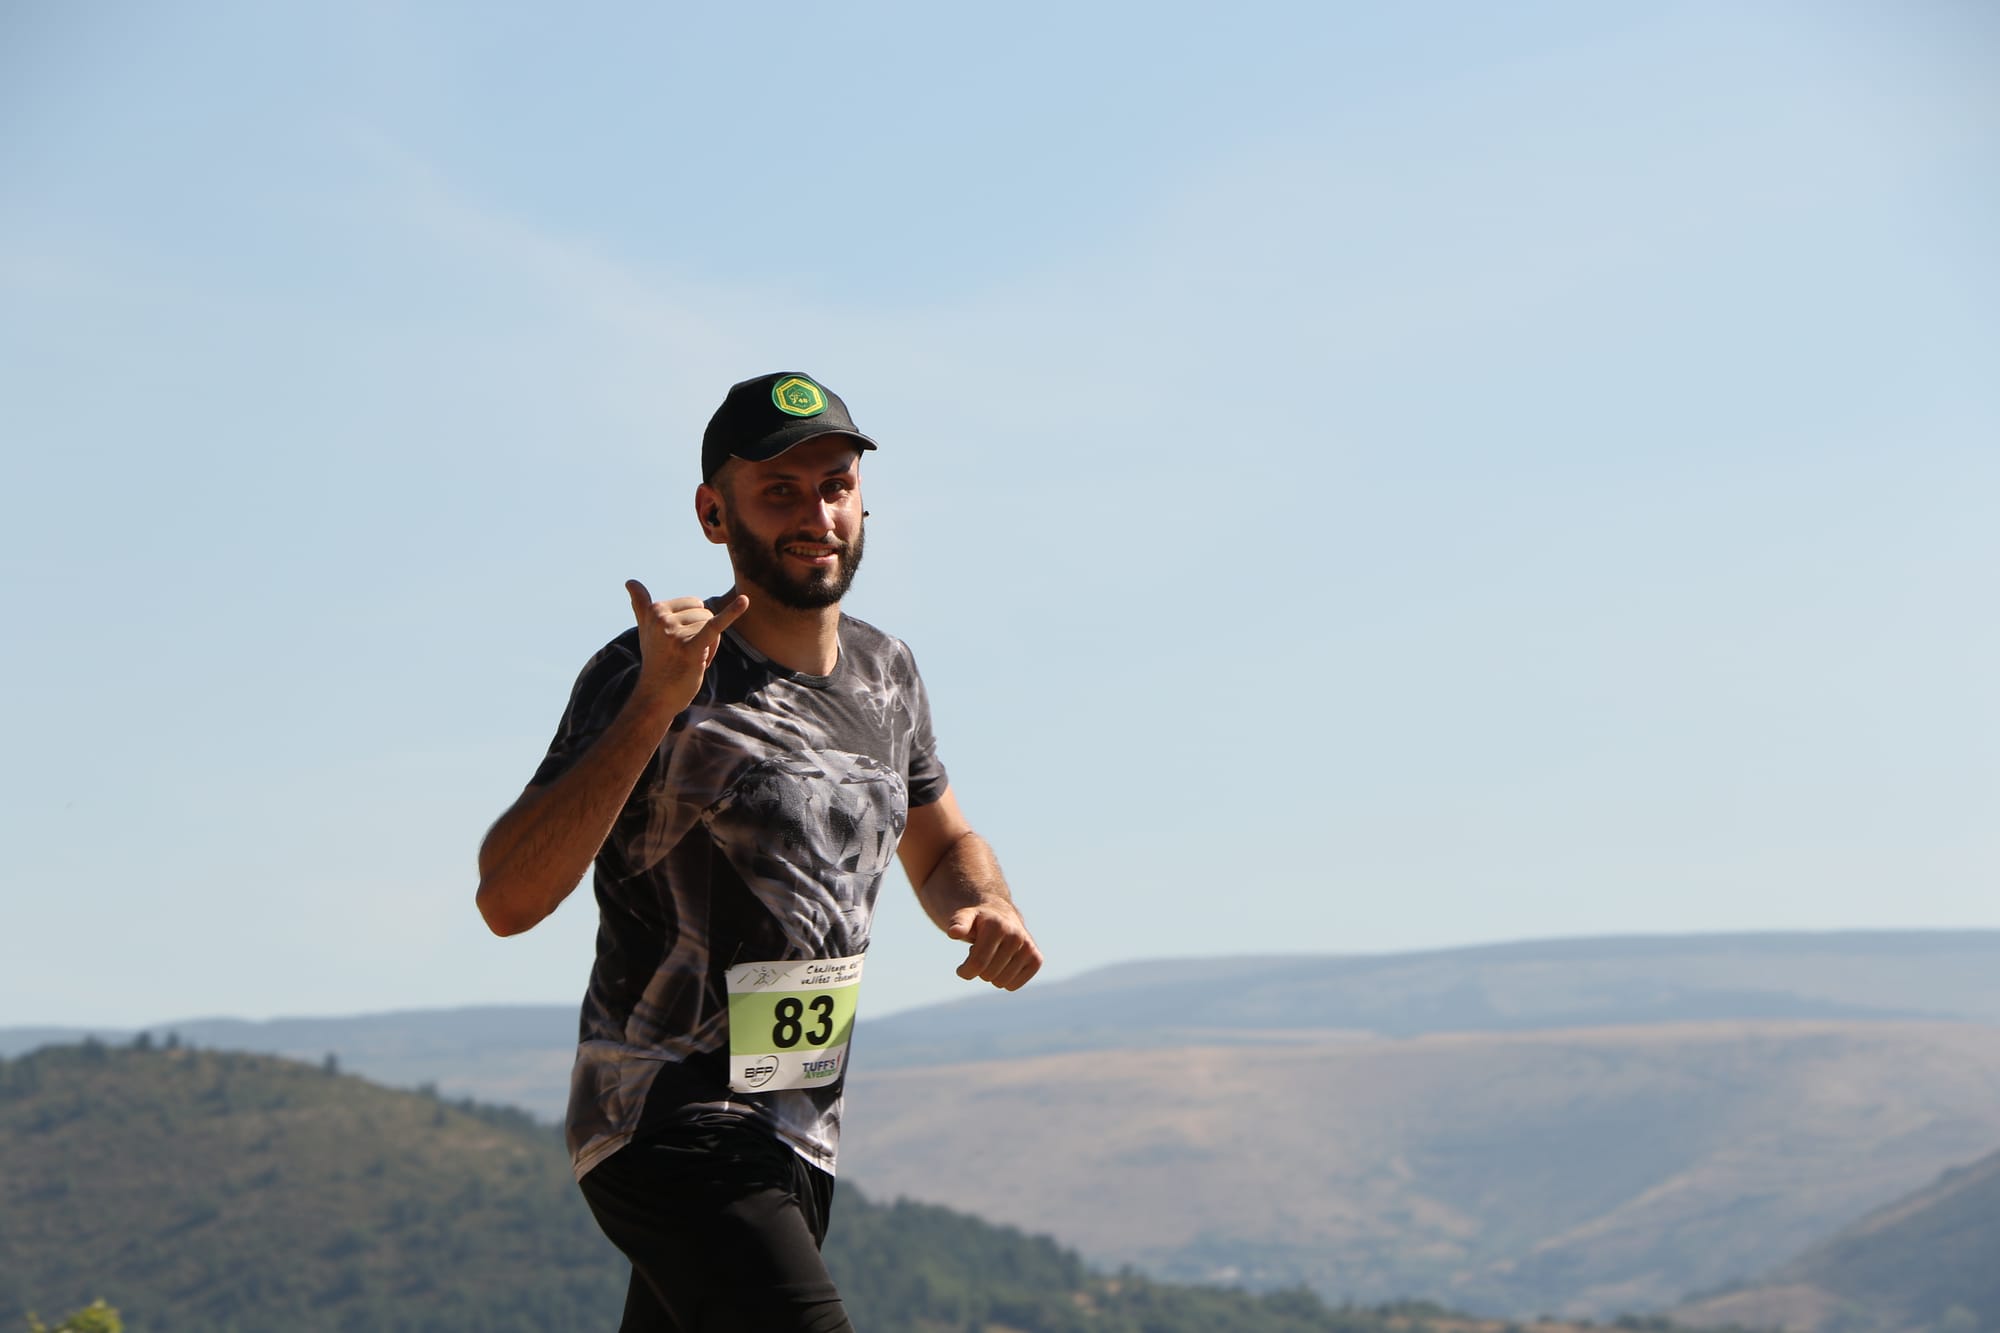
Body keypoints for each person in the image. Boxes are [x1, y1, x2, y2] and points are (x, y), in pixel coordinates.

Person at [475, 371, 1042, 1332]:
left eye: (834, 486)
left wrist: (988, 904)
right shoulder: (648, 667)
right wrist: (656, 703)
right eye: (780, 491)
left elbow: (944, 843)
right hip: (665, 1118)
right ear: (714, 513)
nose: (816, 515)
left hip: (799, 1132)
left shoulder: (887, 672)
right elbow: (508, 896)